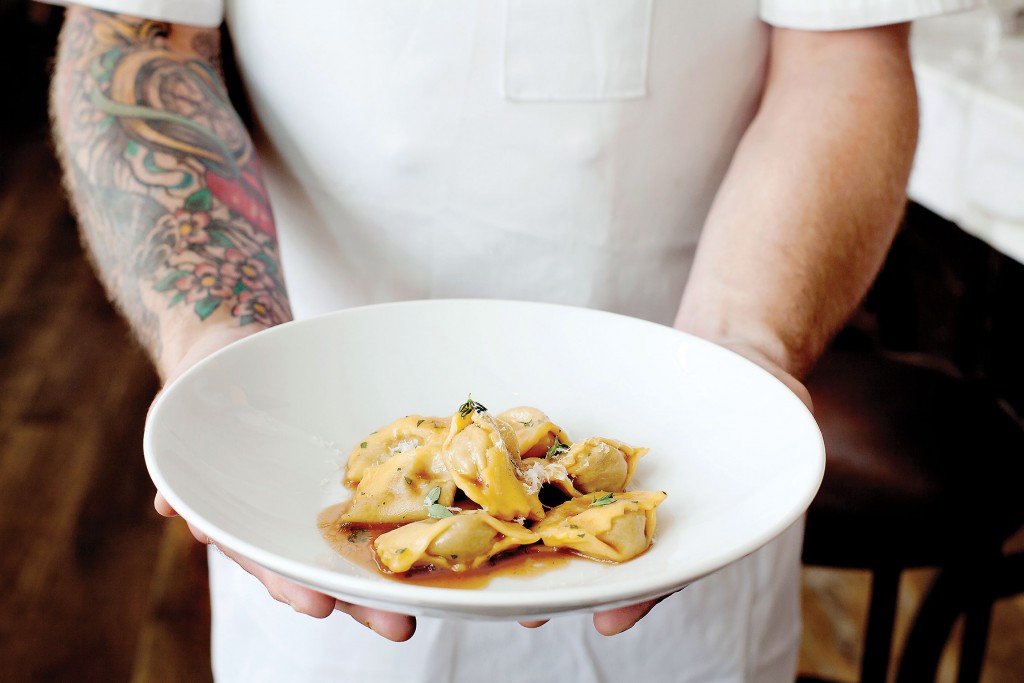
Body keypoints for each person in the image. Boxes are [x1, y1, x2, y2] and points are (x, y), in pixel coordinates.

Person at [49, 1, 979, 681]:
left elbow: (843, 51)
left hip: (697, 491)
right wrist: (223, 350)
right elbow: (140, 34)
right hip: (303, 482)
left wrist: (742, 352)